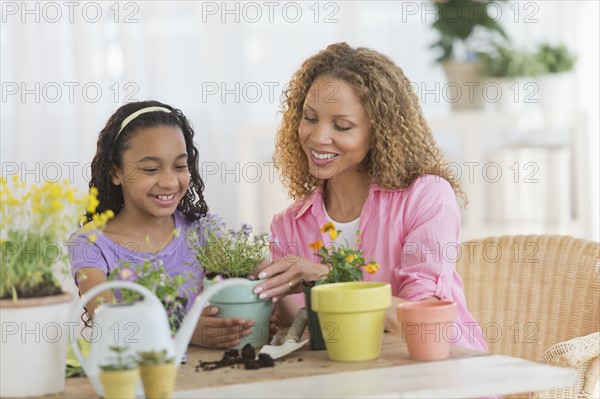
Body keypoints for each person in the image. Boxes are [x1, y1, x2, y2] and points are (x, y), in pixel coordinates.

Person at [251, 42, 488, 352]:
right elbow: (306, 334)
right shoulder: (289, 224)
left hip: (441, 378)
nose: (318, 137)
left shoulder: (426, 197)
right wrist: (261, 294)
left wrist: (327, 280)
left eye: (342, 125)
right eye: (310, 118)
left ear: (379, 131)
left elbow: (423, 322)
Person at [68, 100, 254, 349]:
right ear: (116, 172)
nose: (169, 182)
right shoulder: (90, 245)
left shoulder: (201, 231)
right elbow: (109, 325)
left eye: (179, 166)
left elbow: (251, 283)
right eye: (151, 169)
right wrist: (181, 329)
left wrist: (258, 314)